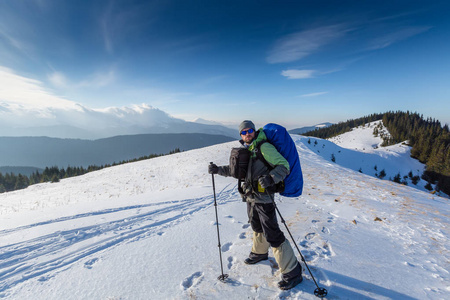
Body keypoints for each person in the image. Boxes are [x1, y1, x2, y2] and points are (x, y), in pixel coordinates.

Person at [208, 120, 303, 290]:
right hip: (251, 197)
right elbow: (235, 170)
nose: (247, 134)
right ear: (240, 136)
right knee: (256, 226)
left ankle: (292, 272)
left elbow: (284, 166)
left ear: (255, 130)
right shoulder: (248, 150)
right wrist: (217, 170)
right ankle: (259, 253)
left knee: (272, 233)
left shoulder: (263, 147)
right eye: (243, 132)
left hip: (264, 199)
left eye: (249, 130)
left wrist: (271, 178)